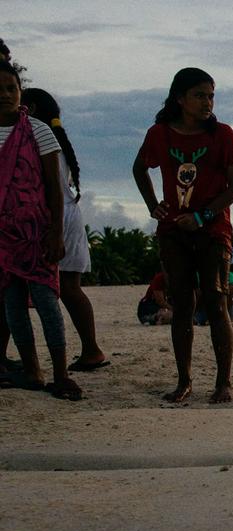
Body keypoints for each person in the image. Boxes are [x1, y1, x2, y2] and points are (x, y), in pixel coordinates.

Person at [134, 67, 233, 403]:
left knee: (216, 298)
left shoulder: (223, 134)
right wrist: (155, 205)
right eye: (200, 95)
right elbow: (140, 168)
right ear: (180, 98)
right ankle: (184, 381)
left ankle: (223, 382)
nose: (207, 102)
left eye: (211, 95)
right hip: (172, 231)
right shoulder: (160, 134)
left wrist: (202, 215)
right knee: (182, 302)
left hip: (213, 229)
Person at [0, 60, 80, 400]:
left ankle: (60, 373)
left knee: (47, 301)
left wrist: (55, 233)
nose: (4, 94)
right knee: (12, 304)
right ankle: (32, 370)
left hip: (37, 233)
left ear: (20, 93)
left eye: (10, 88)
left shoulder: (38, 131)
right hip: (2, 238)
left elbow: (53, 187)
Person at [21, 88, 108, 371]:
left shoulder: (38, 137)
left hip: (56, 219)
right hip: (68, 216)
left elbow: (49, 187)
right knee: (71, 288)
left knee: (38, 290)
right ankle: (91, 349)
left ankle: (90, 350)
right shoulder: (56, 138)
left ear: (30, 108)